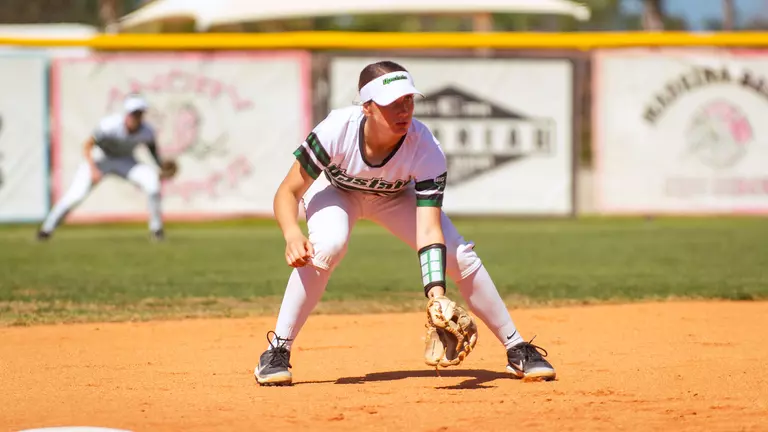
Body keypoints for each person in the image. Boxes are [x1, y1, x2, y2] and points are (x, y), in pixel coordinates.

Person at [254, 61, 556, 386]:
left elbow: (429, 229)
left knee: (459, 255)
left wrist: (436, 295)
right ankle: (276, 352)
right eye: (392, 103)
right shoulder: (336, 130)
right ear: (367, 107)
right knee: (328, 245)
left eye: (408, 100)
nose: (404, 110)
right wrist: (291, 233)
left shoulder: (425, 147)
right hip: (337, 193)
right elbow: (288, 191)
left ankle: (517, 348)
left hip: (394, 197)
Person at [38, 94, 167, 241]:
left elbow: (153, 151)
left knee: (152, 184)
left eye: (139, 113)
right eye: (133, 113)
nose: (136, 117)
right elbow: (87, 146)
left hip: (125, 160)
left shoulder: (146, 131)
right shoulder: (109, 125)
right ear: (127, 113)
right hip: (100, 158)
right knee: (75, 195)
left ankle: (157, 230)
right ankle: (46, 229)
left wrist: (161, 166)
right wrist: (92, 169)